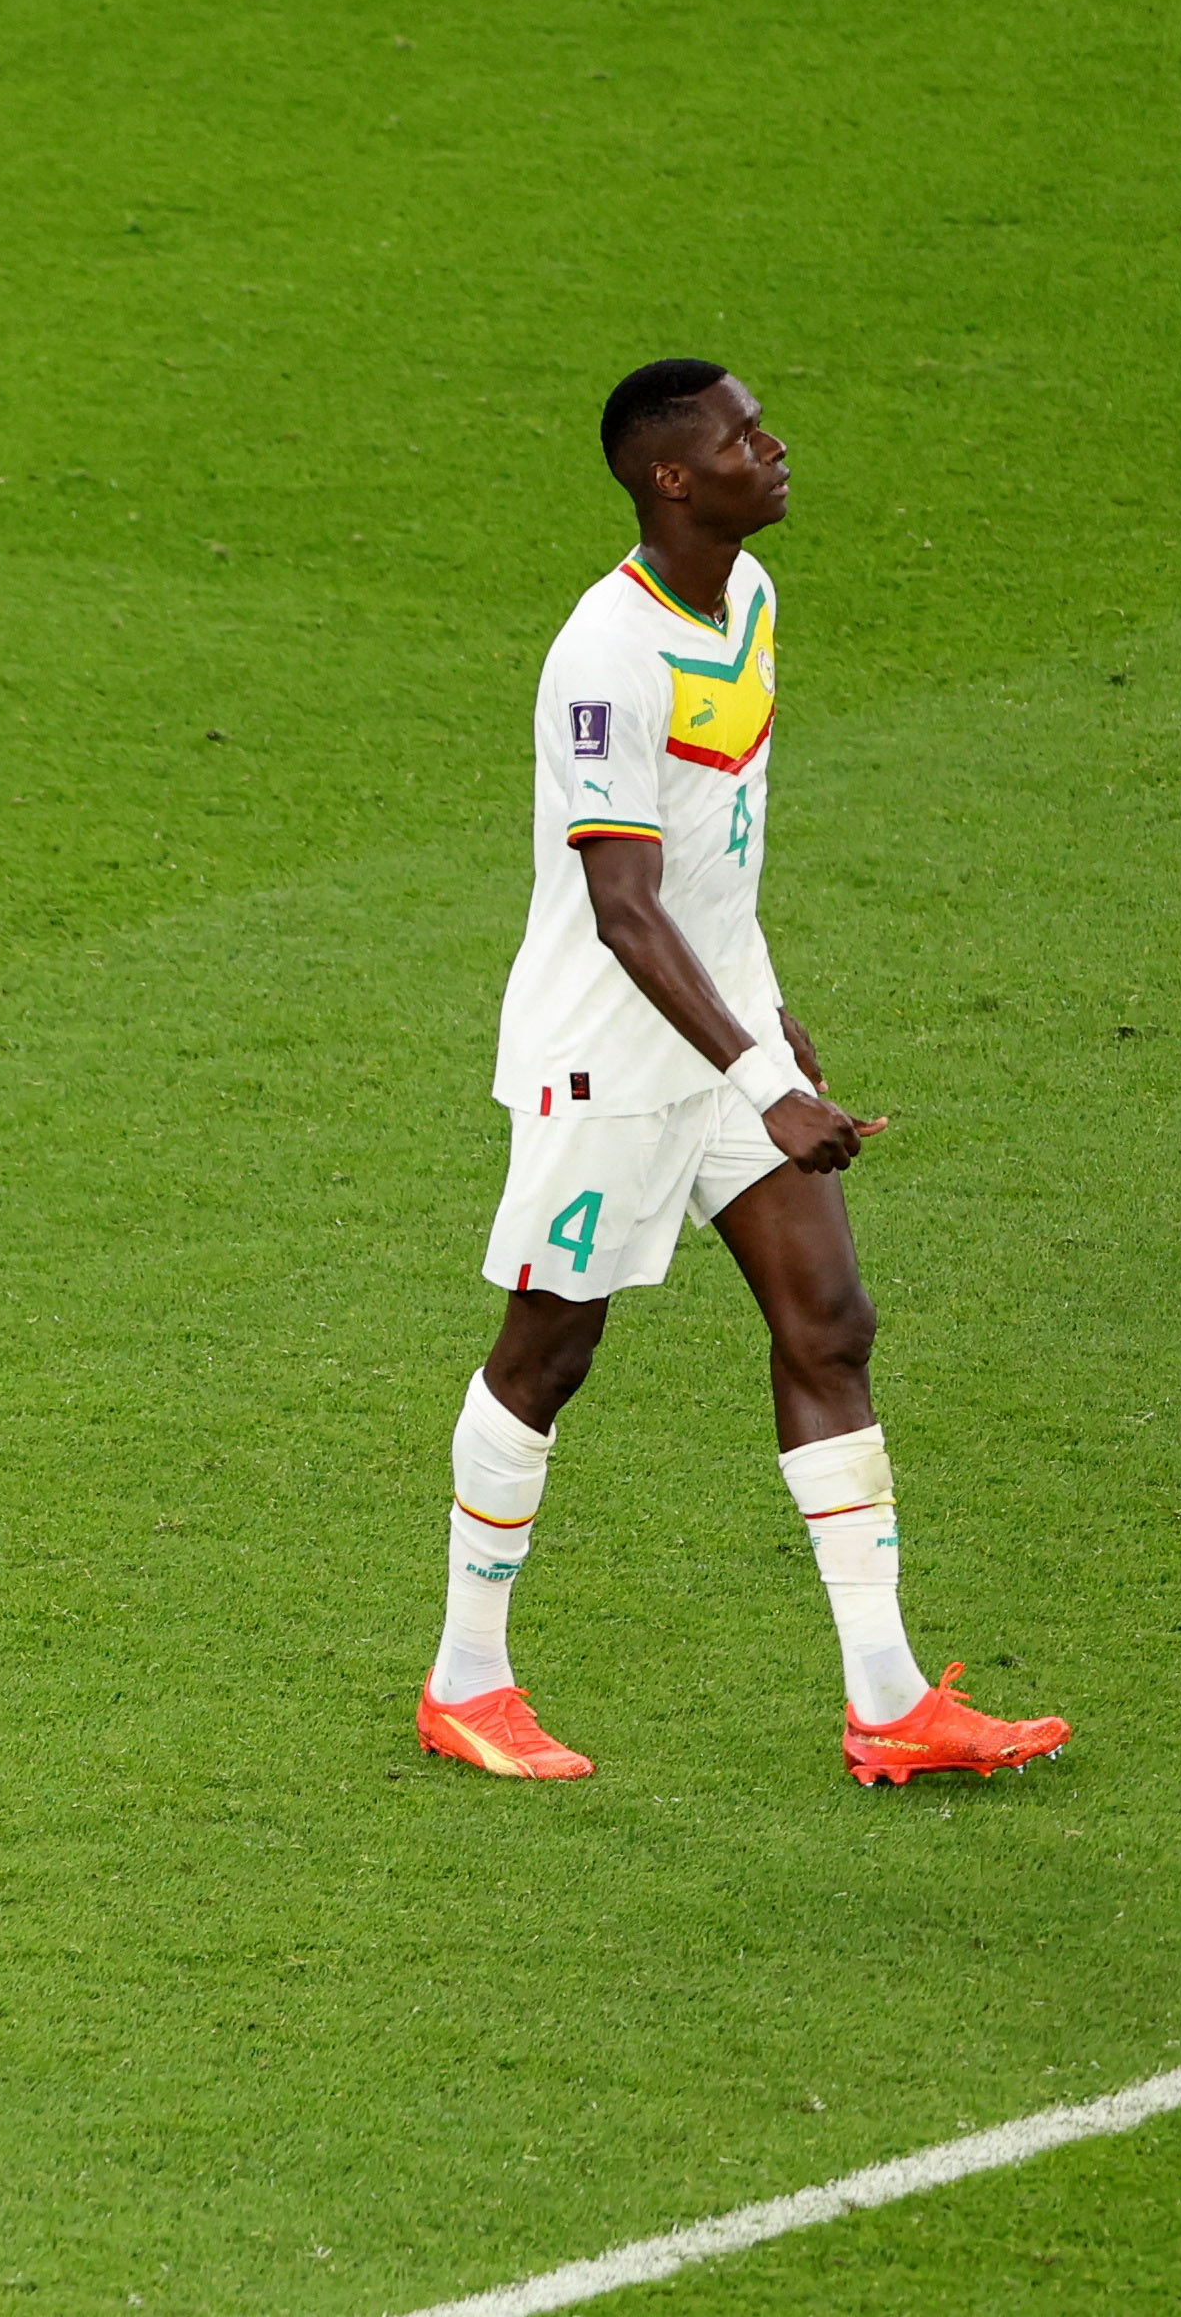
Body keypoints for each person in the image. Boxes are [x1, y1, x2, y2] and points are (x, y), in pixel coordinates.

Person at [417, 360, 1068, 1788]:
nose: (773, 450)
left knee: (829, 1320)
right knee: (548, 1352)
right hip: (607, 1056)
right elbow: (626, 907)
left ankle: (887, 1697)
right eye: (741, 438)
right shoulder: (605, 656)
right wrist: (754, 1069)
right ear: (670, 477)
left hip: (721, 1034)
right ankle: (467, 1677)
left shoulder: (752, 604)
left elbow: (719, 871)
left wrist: (773, 1024)